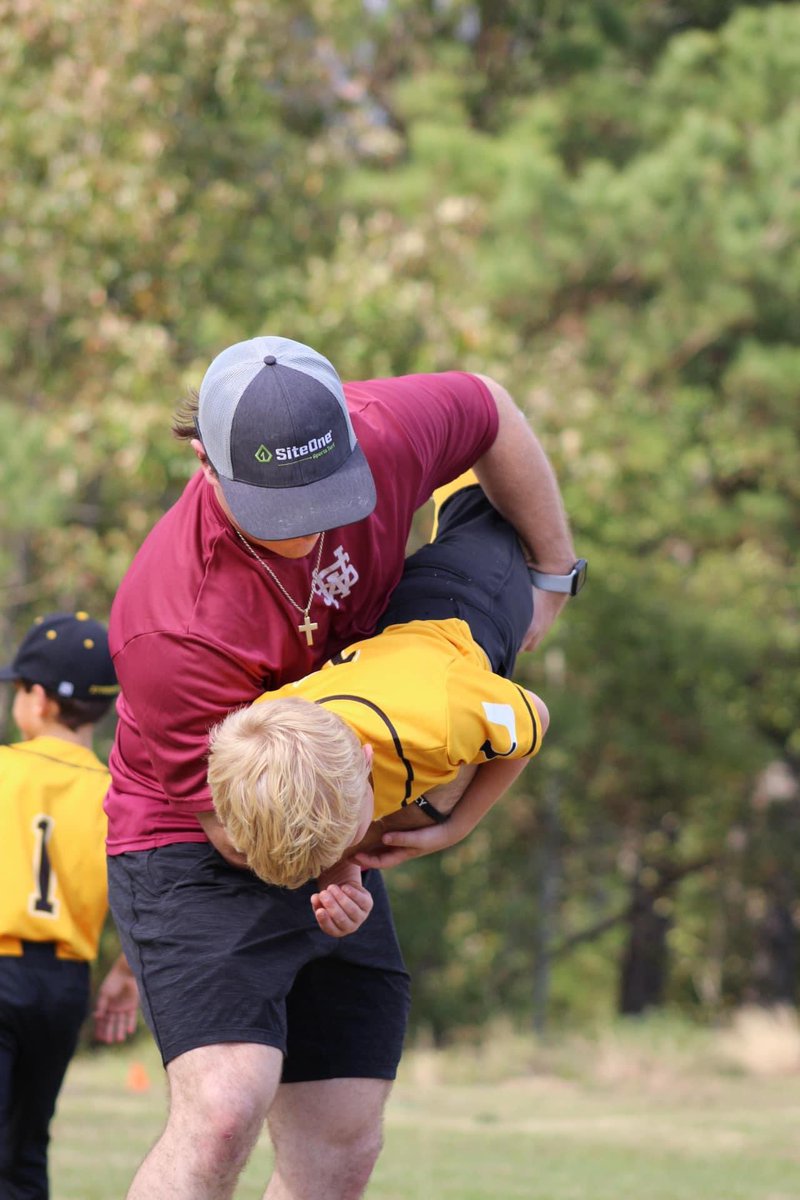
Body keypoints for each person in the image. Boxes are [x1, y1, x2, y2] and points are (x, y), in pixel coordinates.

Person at [106, 334, 584, 1200]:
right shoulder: (170, 623)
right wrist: (355, 858)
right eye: (277, 510)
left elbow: (490, 408)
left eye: (326, 499)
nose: (309, 532)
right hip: (200, 833)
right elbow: (243, 830)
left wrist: (554, 569)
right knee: (223, 1107)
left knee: (342, 1135)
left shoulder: (387, 426)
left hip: (334, 795)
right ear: (204, 461)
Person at [208, 473, 553, 939]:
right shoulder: (277, 720)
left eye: (347, 839)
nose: (347, 847)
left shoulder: (443, 718)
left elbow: (535, 715)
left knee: (488, 511)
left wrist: (458, 828)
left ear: (367, 758)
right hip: (400, 629)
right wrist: (340, 874)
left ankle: (481, 418)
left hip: (476, 601)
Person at [0, 612, 140, 1200]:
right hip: (62, 985)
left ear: (37, 700)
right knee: (26, 1150)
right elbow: (146, 888)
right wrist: (124, 974)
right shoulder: (118, 792)